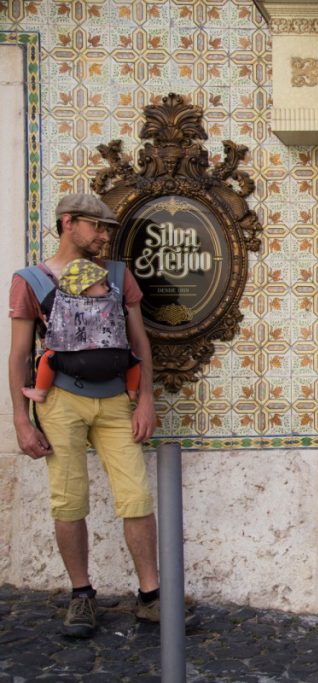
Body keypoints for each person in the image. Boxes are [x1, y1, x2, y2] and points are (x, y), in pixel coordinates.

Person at [8, 193, 158, 639]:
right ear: (69, 222)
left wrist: (145, 397)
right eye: (98, 226)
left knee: (137, 496)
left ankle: (150, 596)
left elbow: (139, 342)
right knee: (68, 499)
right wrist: (20, 419)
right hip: (60, 403)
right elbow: (19, 354)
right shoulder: (31, 281)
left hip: (116, 401)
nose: (105, 236)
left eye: (108, 228)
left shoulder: (117, 275)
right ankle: (82, 594)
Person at [21, 258, 141, 404]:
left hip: (75, 362)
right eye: (103, 284)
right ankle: (133, 391)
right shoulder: (113, 301)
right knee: (134, 359)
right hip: (116, 360)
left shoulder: (62, 302)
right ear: (84, 289)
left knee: (48, 357)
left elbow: (46, 310)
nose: (107, 289)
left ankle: (40, 392)